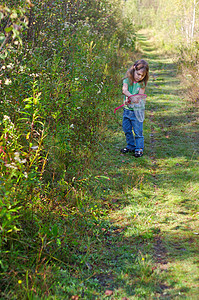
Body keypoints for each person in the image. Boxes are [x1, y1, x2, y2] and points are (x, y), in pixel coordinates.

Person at [121, 59, 149, 157]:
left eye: (142, 76)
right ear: (134, 69)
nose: (139, 77)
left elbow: (140, 96)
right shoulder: (127, 80)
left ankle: (139, 148)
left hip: (136, 111)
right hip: (127, 110)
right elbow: (124, 90)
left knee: (138, 131)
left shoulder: (141, 84)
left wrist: (134, 98)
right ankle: (131, 146)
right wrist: (130, 97)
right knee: (127, 129)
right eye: (138, 74)